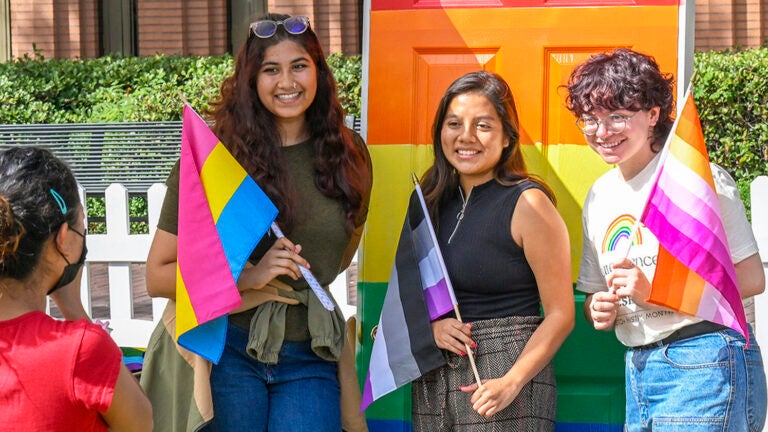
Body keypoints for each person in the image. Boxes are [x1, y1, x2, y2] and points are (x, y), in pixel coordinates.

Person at [142, 12, 372, 432]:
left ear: (318, 72)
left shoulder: (350, 155)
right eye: (271, 70)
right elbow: (157, 276)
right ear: (251, 80)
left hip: (311, 352)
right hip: (230, 350)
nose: (287, 82)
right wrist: (249, 276)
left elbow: (338, 255)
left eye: (299, 66)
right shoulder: (214, 161)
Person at [565, 48, 767, 432]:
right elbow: (593, 292)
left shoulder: (698, 179)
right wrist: (599, 309)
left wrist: (658, 290)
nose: (602, 132)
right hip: (639, 366)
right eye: (590, 120)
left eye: (617, 117)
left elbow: (752, 278)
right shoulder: (599, 194)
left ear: (653, 114)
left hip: (704, 359)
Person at [411, 71, 574, 431]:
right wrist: (431, 329)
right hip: (434, 379)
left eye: (482, 125)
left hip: (504, 378)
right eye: (454, 123)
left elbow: (562, 314)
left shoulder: (528, 203)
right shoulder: (431, 201)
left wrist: (512, 381)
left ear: (506, 138)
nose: (465, 136)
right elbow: (412, 294)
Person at [0, 147, 153, 432]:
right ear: (64, 239)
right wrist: (74, 309)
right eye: (82, 224)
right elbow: (141, 423)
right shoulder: (81, 349)